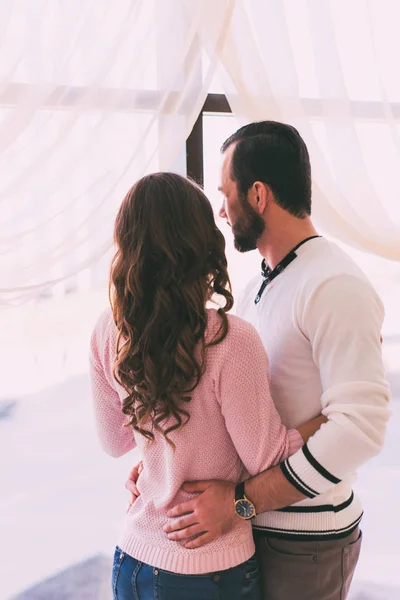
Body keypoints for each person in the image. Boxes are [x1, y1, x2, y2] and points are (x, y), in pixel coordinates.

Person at [126, 123, 391, 600]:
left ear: (258, 194)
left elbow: (361, 428)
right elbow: (236, 416)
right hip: (253, 536)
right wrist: (163, 463)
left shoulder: (335, 286)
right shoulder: (256, 290)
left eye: (225, 195)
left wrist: (241, 504)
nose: (221, 212)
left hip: (304, 538)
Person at [89, 172, 325, 600]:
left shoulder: (109, 330)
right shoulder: (229, 339)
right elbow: (265, 457)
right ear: (201, 244)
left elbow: (113, 442)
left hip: (133, 561)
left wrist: (160, 456)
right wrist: (331, 414)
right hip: (211, 571)